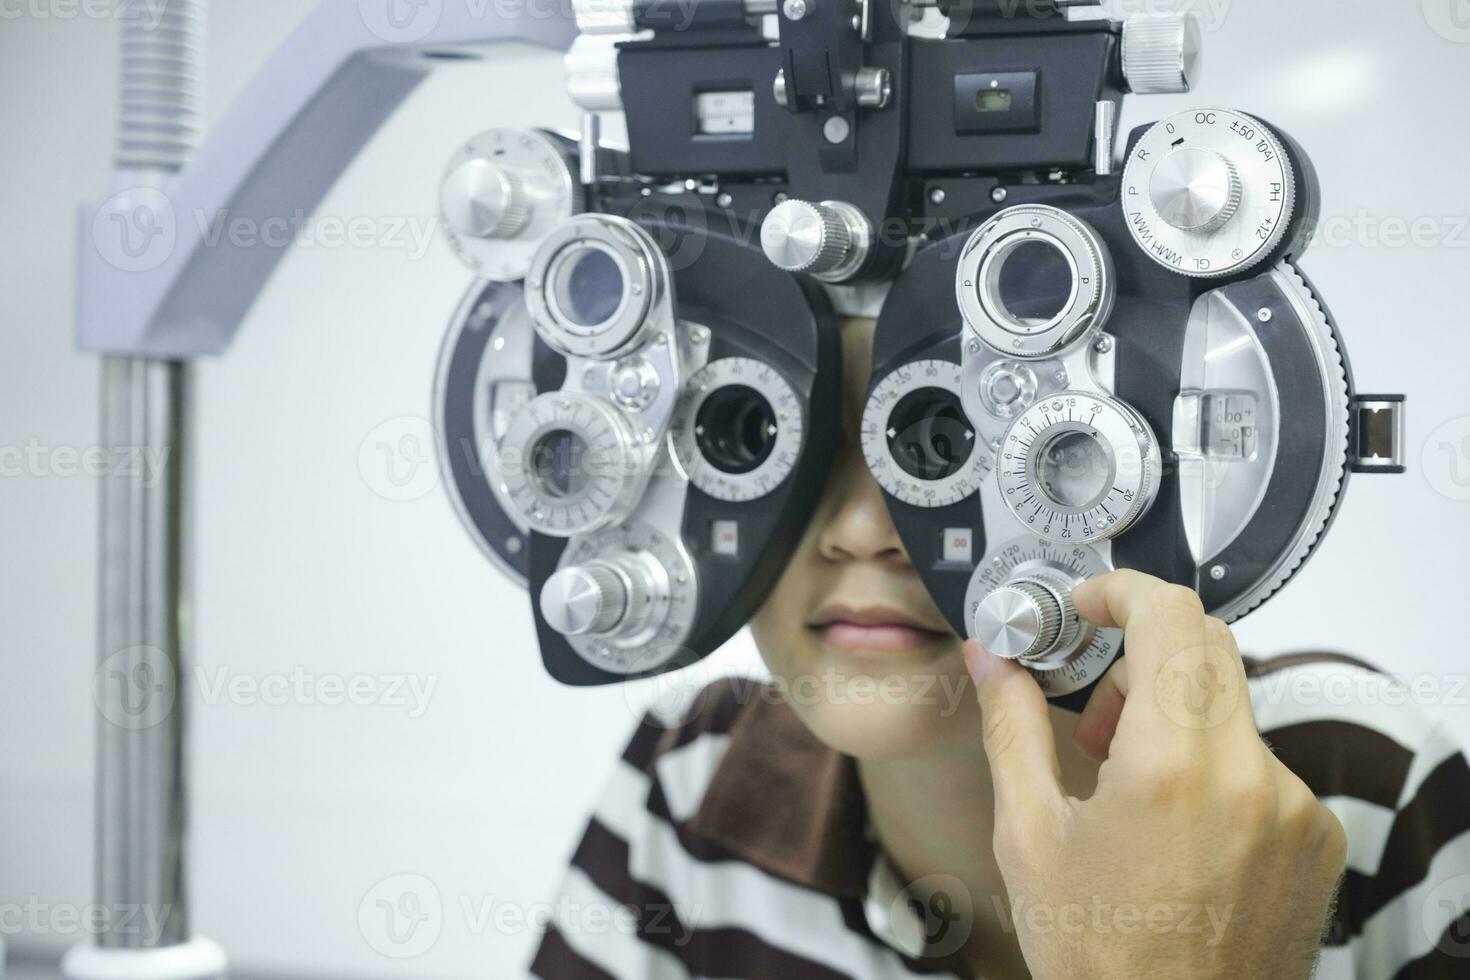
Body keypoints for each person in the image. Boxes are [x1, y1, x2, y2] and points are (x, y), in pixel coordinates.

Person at [529, 316, 1470, 979]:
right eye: (781, 446)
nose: (862, 528)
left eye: (950, 447)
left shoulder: (1350, 772)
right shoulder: (697, 767)